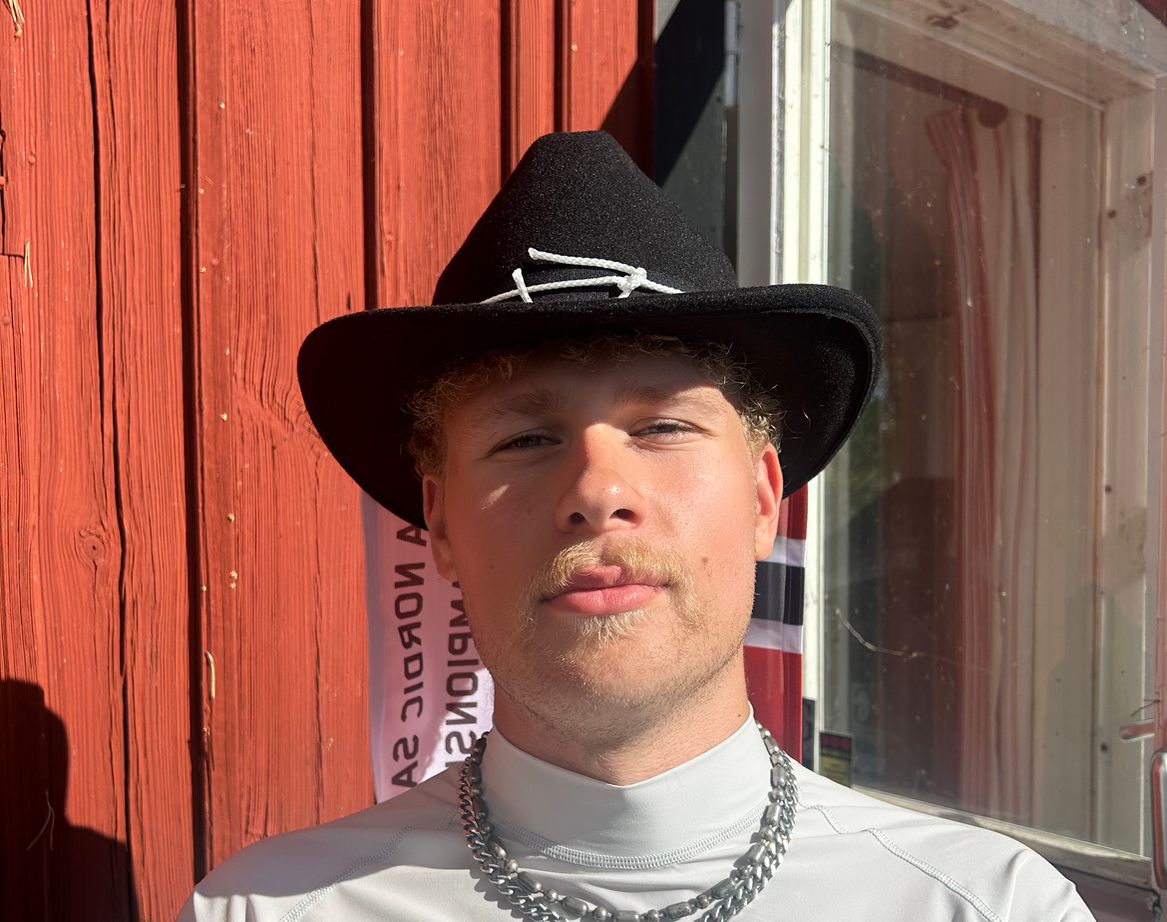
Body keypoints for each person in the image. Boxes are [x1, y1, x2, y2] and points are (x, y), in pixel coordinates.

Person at [180, 131, 1094, 921]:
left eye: (661, 427)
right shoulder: (268, 910)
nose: (596, 491)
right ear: (442, 525)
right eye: (525, 439)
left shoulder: (983, 905)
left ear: (764, 498)